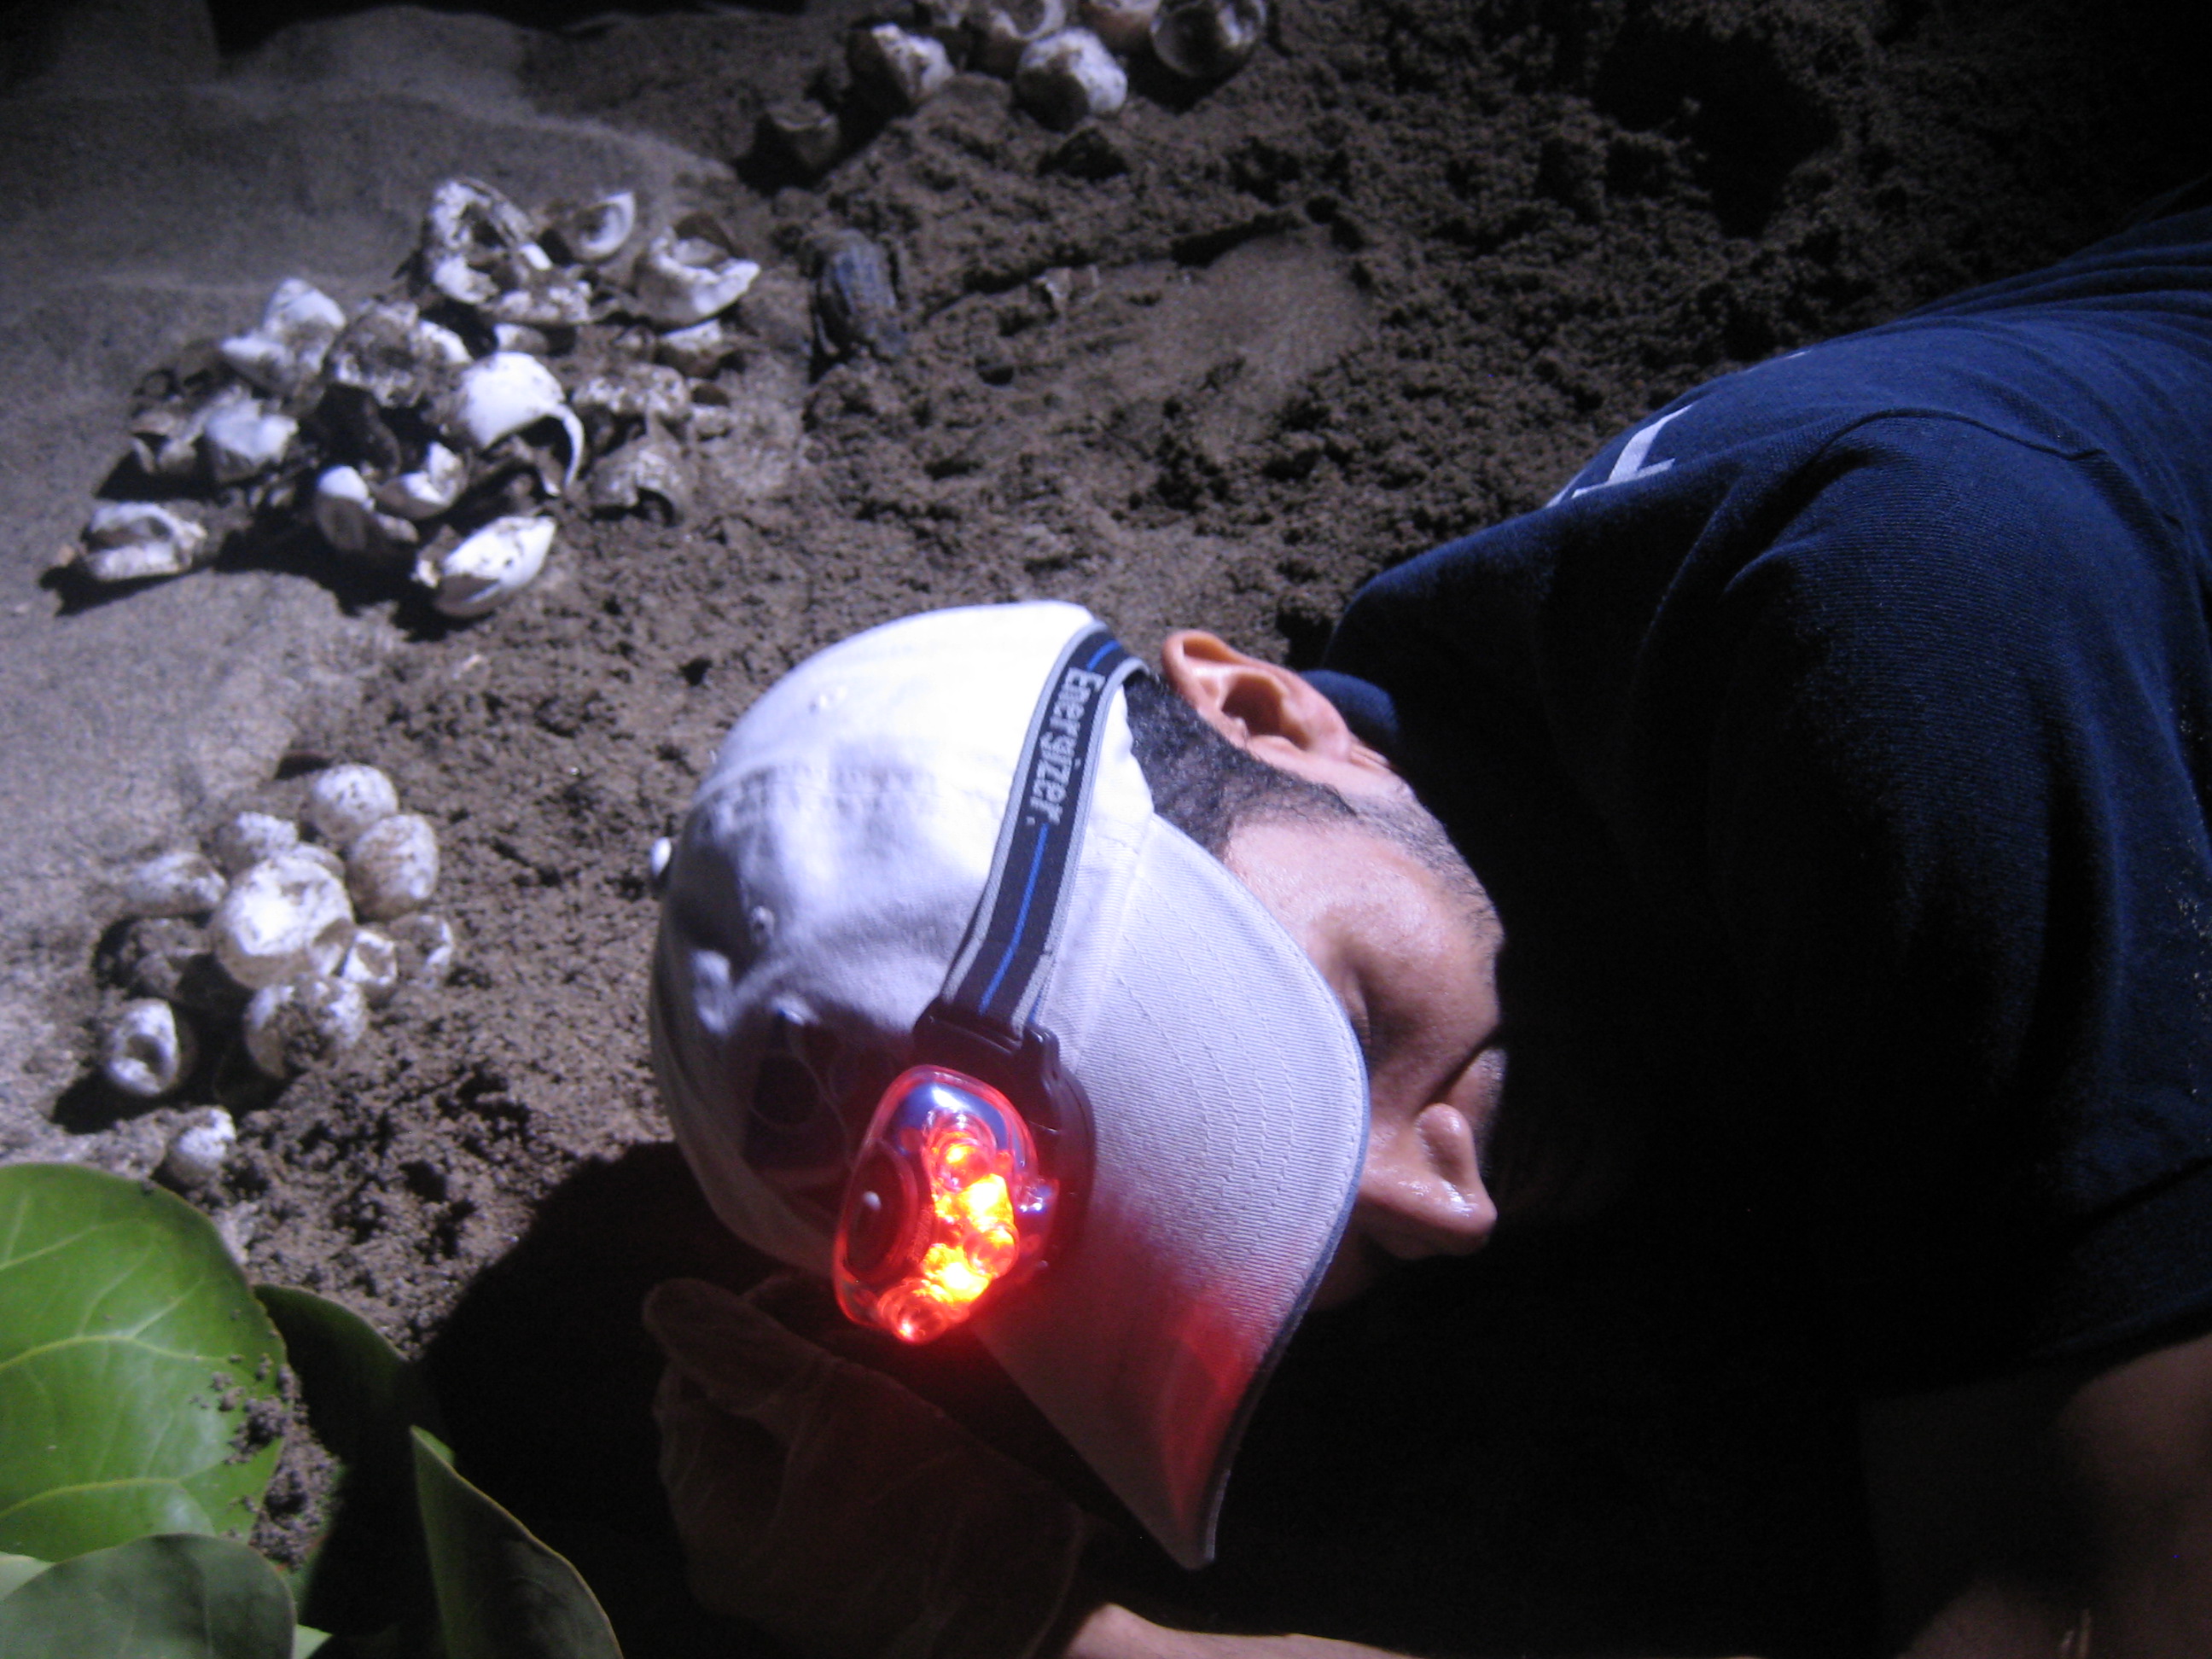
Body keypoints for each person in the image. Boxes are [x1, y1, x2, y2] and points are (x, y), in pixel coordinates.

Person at [645, 196, 2212, 1659]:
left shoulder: (1887, 648)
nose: (1446, 1211)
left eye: (1323, 1048)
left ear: (1267, 715)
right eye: (1275, 1216)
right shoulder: (1520, 798)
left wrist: (1046, 1626)